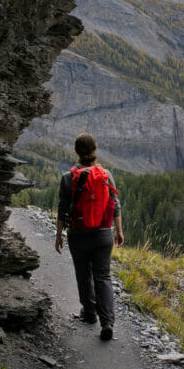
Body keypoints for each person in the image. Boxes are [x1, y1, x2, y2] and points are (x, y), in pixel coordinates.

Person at [55, 133, 124, 340]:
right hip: (103, 233)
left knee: (83, 274)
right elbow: (115, 206)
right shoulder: (106, 174)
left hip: (79, 234)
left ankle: (89, 313)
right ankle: (108, 322)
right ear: (95, 149)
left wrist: (59, 235)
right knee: (103, 276)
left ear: (76, 151)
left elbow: (62, 210)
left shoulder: (68, 178)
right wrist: (118, 231)